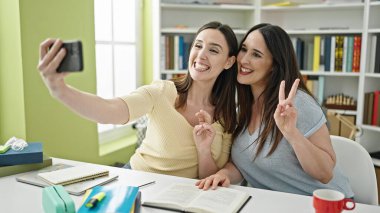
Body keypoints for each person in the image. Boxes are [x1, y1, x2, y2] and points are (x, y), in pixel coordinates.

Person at [37, 21, 238, 179]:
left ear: (229, 61)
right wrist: (60, 90)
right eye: (198, 45)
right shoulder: (162, 92)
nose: (201, 55)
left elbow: (209, 180)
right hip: (135, 181)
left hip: (179, 196)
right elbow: (110, 110)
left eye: (213, 50)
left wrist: (204, 150)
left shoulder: (227, 117)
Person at [196, 23, 354, 198]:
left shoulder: (297, 104)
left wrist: (292, 133)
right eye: (244, 49)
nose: (243, 60)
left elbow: (325, 174)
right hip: (276, 204)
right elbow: (244, 163)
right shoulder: (242, 107)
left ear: (274, 65)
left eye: (256, 54)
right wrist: (223, 174)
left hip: (326, 205)